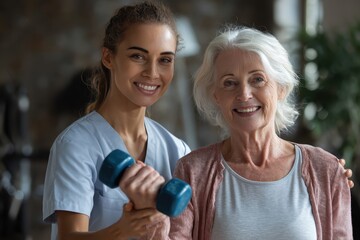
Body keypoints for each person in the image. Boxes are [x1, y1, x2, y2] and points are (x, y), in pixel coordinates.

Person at [165, 26, 353, 239]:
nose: (244, 94)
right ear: (216, 95)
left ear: (281, 87)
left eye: (257, 79)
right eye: (229, 83)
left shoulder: (326, 169)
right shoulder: (192, 172)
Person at [42, 1, 190, 239]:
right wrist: (125, 228)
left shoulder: (178, 150)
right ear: (108, 58)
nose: (152, 72)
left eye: (165, 59)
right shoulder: (76, 145)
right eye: (138, 56)